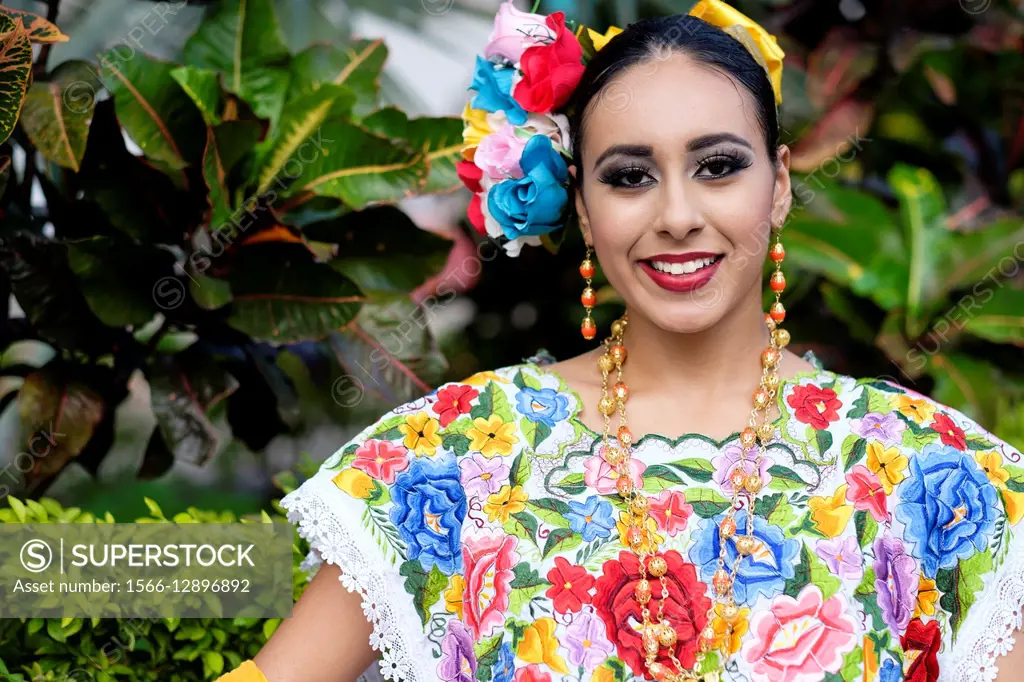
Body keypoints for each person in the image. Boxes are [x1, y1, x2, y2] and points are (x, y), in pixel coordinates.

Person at [218, 1, 1024, 680]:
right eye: (630, 176)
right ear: (581, 207)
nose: (676, 214)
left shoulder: (928, 470)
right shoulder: (456, 457)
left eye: (717, 166)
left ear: (779, 185)